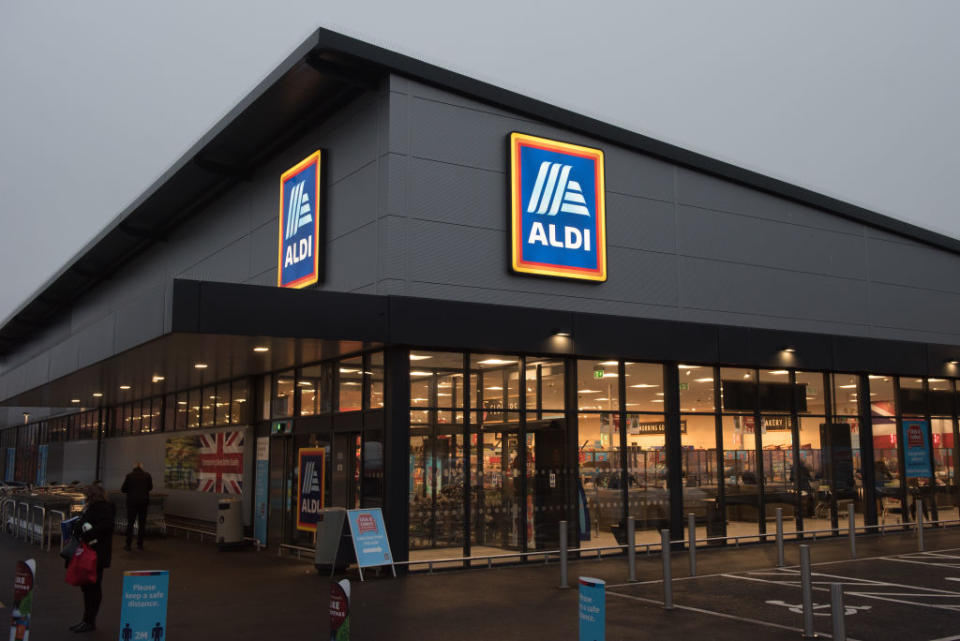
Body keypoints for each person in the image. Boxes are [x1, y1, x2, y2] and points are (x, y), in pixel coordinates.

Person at [70, 483, 115, 633]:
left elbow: (106, 527)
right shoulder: (98, 507)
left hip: (95, 554)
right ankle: (87, 619)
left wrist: (87, 533)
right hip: (93, 553)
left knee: (92, 588)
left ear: (91, 496)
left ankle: (89, 620)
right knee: (89, 587)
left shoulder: (102, 508)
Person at [121, 462, 153, 551]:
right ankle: (140, 544)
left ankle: (128, 544)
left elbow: (123, 489)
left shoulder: (129, 475)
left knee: (130, 524)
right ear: (142, 467)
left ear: (134, 467)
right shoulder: (147, 475)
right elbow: (150, 487)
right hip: (143, 502)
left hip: (132, 502)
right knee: (142, 524)